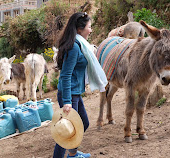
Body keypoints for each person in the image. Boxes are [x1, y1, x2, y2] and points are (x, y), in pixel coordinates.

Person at [54, 11, 107, 158]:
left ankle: (73, 154)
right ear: (79, 30)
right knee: (67, 129)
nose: (91, 30)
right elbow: (65, 75)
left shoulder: (81, 45)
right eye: (89, 27)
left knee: (83, 123)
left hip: (75, 92)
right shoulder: (74, 48)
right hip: (69, 94)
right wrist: (67, 102)